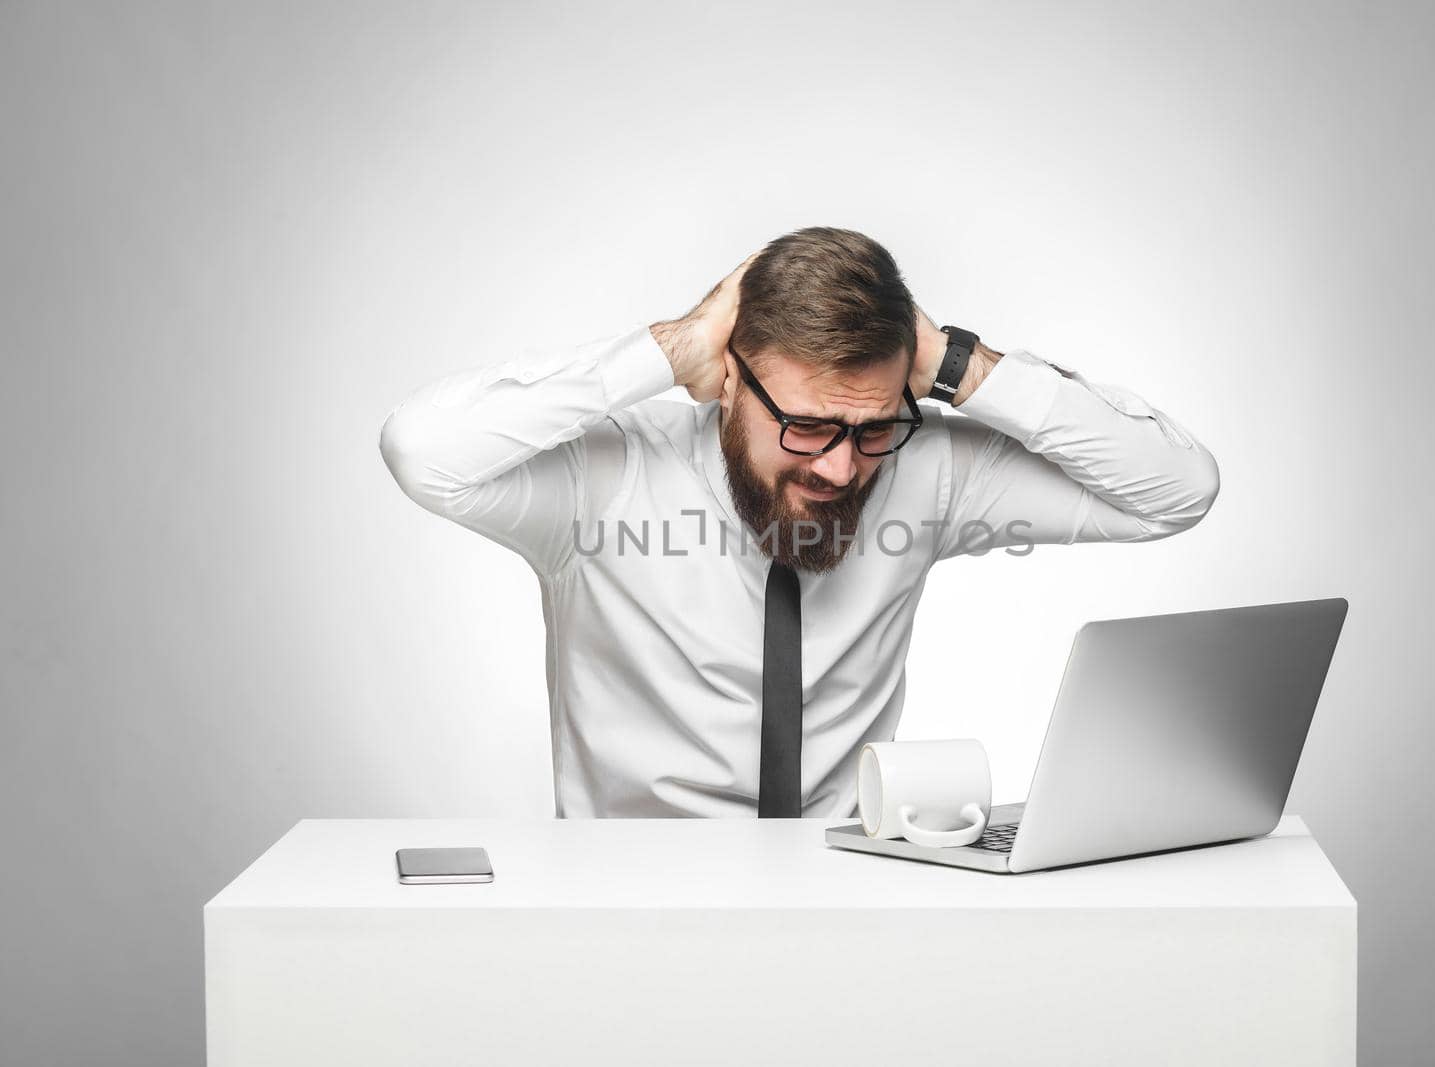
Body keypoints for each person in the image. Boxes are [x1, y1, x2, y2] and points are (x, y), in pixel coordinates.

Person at [378, 226, 1220, 818]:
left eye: (874, 426)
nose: (840, 468)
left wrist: (955, 363)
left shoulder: (927, 472)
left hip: (847, 905)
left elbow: (1174, 490)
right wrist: (668, 350)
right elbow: (423, 449)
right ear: (731, 380)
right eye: (807, 426)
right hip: (631, 912)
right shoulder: (602, 481)